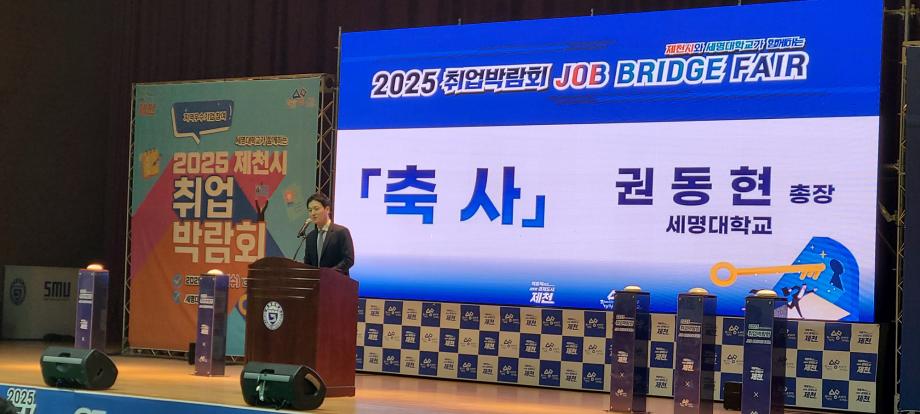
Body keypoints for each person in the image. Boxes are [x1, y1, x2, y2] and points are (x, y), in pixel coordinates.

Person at [302, 193, 354, 275]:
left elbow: (348, 260)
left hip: (337, 280)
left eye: (316, 209)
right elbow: (308, 263)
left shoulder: (341, 232)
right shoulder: (310, 236)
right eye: (310, 210)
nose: (313, 213)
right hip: (316, 281)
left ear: (327, 209)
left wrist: (328, 274)